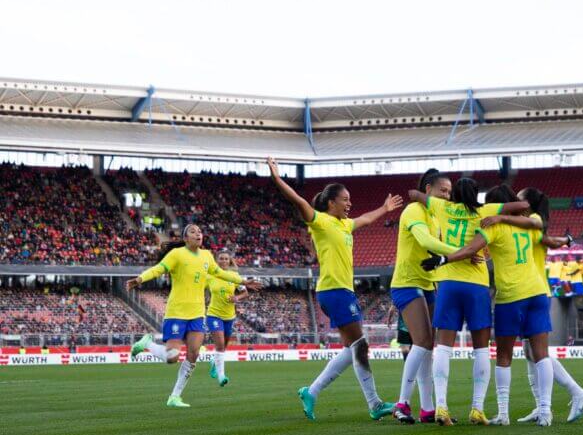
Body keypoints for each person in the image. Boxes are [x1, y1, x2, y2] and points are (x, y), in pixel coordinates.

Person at [267, 157, 402, 421]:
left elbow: (365, 218)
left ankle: (312, 391)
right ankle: (374, 404)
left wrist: (385, 208)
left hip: (343, 291)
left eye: (350, 199)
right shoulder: (321, 222)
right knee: (361, 346)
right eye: (345, 199)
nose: (349, 203)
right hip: (334, 290)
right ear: (332, 203)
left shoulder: (344, 224)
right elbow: (299, 201)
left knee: (353, 347)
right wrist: (277, 178)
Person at [409, 178, 529, 426]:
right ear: (477, 195)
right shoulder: (485, 210)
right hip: (476, 285)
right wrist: (501, 216)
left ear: (453, 195)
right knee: (481, 349)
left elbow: (413, 194)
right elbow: (523, 205)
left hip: (449, 282)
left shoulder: (442, 208)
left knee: (443, 347)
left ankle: (441, 407)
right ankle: (477, 409)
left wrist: (427, 197)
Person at [483, 186, 583, 425]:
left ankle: (575, 392)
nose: (516, 202)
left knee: (535, 352)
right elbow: (551, 241)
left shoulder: (529, 221)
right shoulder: (527, 224)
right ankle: (542, 406)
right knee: (531, 353)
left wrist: (500, 216)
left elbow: (544, 237)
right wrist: (567, 240)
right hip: (535, 290)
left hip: (528, 290)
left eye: (520, 200)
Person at [126, 224, 260, 408]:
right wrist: (140, 278)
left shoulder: (206, 256)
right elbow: (159, 269)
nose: (198, 234)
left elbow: (221, 273)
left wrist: (243, 281)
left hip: (197, 314)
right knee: (172, 357)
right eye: (193, 232)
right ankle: (147, 343)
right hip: (177, 312)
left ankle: (174, 397)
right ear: (186, 238)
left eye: (199, 231)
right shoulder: (177, 254)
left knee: (193, 354)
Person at [390, 168, 467, 424]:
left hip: (427, 283)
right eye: (442, 190)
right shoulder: (414, 210)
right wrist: (461, 251)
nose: (447, 195)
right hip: (406, 283)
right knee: (422, 342)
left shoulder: (437, 215)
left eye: (449, 191)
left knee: (426, 345)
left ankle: (426, 408)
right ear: (428, 190)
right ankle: (402, 403)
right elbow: (424, 241)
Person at [206, 250, 253, 387]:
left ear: (229, 261)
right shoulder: (210, 276)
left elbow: (245, 292)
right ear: (217, 260)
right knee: (220, 344)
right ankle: (221, 376)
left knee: (223, 346)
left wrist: (236, 297)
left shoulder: (234, 276)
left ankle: (214, 362)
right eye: (221, 258)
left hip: (229, 316)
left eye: (226, 259)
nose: (224, 261)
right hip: (213, 314)